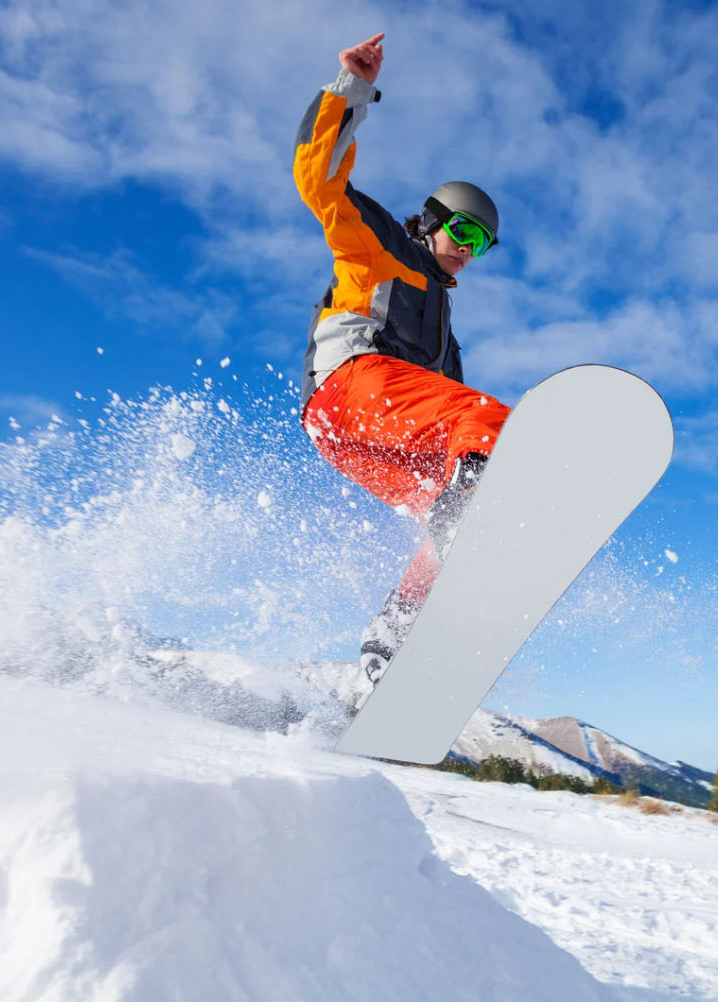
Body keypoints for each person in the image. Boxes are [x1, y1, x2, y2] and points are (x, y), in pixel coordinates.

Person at [293, 32, 509, 705]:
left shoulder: (445, 338)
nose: (468, 251)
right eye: (463, 232)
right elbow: (320, 182)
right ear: (431, 220)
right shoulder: (381, 245)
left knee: (449, 526)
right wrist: (349, 89)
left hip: (353, 439)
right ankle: (468, 505)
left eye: (481, 245)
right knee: (488, 423)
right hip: (349, 388)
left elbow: (442, 408)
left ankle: (393, 632)